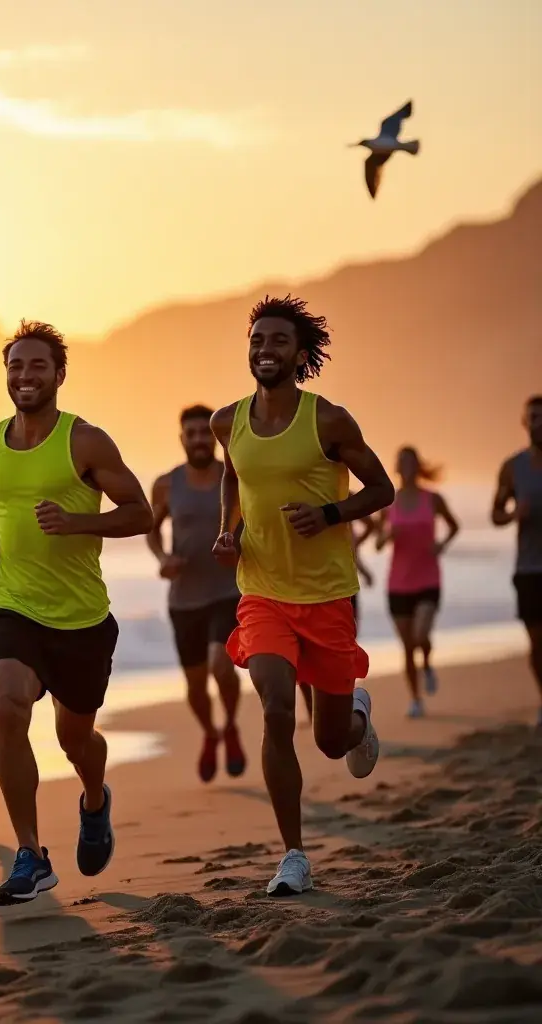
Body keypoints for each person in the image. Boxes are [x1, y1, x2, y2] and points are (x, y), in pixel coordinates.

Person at [0, 320, 153, 905]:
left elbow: (140, 513)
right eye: (16, 366)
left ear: (60, 375)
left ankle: (95, 798)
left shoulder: (84, 442)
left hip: (82, 618)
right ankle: (30, 854)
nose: (25, 376)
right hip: (13, 606)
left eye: (37, 366)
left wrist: (78, 522)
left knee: (76, 739)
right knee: (9, 706)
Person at [210, 295, 395, 897]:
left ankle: (357, 716)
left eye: (279, 342)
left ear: (300, 353)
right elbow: (233, 473)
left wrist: (327, 512)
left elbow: (382, 488)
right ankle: (293, 854)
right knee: (273, 710)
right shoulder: (227, 421)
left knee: (329, 739)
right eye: (258, 339)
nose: (265, 350)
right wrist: (226, 529)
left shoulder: (328, 421)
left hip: (325, 597)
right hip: (261, 593)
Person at [148, 404, 245, 782]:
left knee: (221, 664)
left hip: (229, 590)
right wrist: (162, 557)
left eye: (206, 432)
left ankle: (232, 724)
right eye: (193, 434)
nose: (201, 439)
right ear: (182, 439)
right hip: (184, 598)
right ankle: (210, 731)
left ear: (216, 437)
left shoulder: (234, 477)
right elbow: (152, 529)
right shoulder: (166, 484)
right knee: (195, 684)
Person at [372, 447, 459, 718]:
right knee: (408, 646)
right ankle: (415, 699)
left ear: (418, 466)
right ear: (397, 468)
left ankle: (428, 664)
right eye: (402, 462)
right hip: (398, 583)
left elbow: (454, 526)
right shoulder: (390, 503)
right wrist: (388, 536)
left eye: (411, 461)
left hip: (428, 578)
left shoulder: (432, 499)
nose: (406, 466)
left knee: (421, 635)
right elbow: (377, 544)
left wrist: (441, 545)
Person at [491, 395, 542, 728]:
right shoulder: (513, 467)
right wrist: (512, 514)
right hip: (529, 569)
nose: (539, 423)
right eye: (534, 418)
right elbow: (495, 514)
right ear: (525, 423)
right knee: (538, 642)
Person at [298, 509, 374, 723]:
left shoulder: (344, 495)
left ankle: (346, 706)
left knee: (342, 650)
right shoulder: (299, 490)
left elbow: (370, 523)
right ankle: (313, 711)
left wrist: (354, 550)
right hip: (304, 585)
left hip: (342, 585)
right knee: (301, 652)